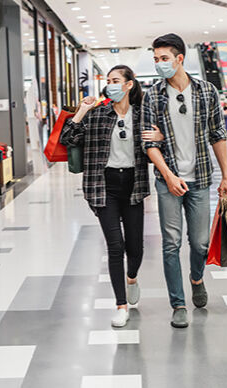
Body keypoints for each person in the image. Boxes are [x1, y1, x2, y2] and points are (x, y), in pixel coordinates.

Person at [61, 65, 163, 328]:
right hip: (103, 185)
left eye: (116, 80)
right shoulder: (97, 115)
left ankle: (132, 277)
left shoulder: (142, 115)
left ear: (129, 85)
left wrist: (160, 137)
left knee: (136, 248)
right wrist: (83, 109)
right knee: (115, 247)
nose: (110, 85)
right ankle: (121, 305)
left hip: (134, 185)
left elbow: (160, 144)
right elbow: (68, 137)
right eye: (108, 81)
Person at [141, 33, 227, 329]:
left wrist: (226, 175)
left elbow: (218, 134)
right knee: (170, 244)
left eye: (164, 58)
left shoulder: (206, 92)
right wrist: (168, 175)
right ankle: (178, 304)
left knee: (200, 243)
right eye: (155, 60)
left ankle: (196, 278)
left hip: (201, 178)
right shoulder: (153, 95)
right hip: (167, 181)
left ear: (180, 59)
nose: (159, 64)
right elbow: (147, 143)